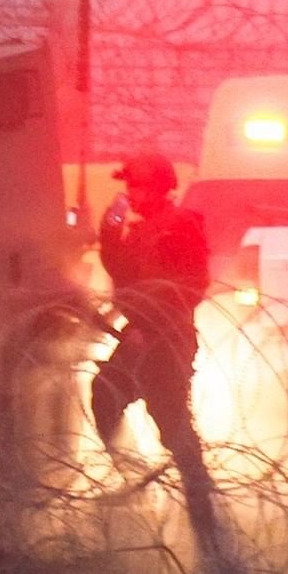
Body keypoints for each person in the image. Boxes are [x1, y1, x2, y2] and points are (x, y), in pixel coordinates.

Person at [91, 152, 211, 472]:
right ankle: (131, 472)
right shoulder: (141, 231)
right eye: (130, 187)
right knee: (104, 393)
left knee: (172, 425)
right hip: (140, 337)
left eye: (137, 187)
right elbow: (123, 276)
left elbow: (193, 284)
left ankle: (205, 511)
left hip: (168, 342)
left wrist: (153, 326)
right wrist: (110, 233)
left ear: (158, 188)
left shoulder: (180, 225)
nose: (130, 194)